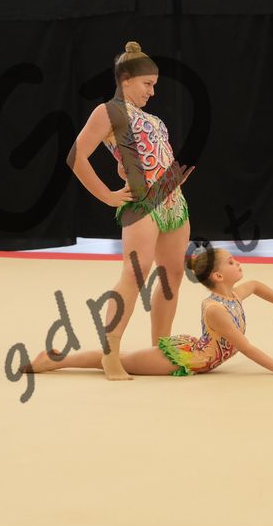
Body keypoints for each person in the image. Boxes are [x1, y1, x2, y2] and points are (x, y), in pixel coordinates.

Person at [63, 41, 194, 381]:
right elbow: (76, 156)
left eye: (155, 85)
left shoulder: (155, 120)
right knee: (135, 273)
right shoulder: (109, 111)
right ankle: (110, 352)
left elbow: (144, 157)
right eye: (147, 84)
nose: (152, 91)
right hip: (143, 202)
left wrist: (173, 177)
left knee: (172, 274)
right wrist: (107, 195)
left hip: (173, 201)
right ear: (126, 79)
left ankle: (160, 349)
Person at [28, 242, 273, 377]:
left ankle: (55, 359)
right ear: (218, 276)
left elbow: (258, 286)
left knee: (122, 358)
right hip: (178, 359)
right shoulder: (216, 310)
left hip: (194, 352)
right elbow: (246, 347)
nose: (238, 263)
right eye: (231, 262)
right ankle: (54, 361)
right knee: (120, 360)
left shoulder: (234, 295)